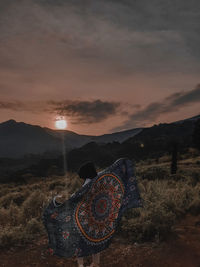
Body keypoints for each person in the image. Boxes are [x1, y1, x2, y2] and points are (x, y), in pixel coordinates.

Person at [76, 161, 100, 267]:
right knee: (96, 241)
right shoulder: (100, 178)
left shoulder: (87, 183)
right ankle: (95, 263)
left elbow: (79, 199)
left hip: (87, 216)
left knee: (80, 241)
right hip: (98, 216)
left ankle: (81, 265)